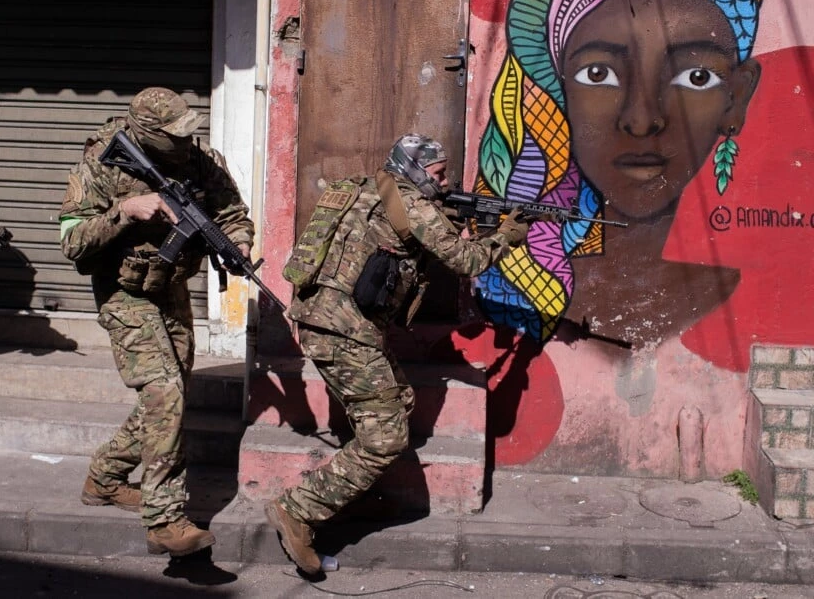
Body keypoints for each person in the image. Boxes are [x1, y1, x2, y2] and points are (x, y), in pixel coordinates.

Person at [472, 0, 771, 345]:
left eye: (695, 77)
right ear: (558, 89)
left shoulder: (731, 290)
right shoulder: (532, 281)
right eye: (597, 74)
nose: (642, 120)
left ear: (737, 98)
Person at [265, 134, 531, 574]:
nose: (444, 182)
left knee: (400, 402)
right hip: (345, 332)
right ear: (412, 168)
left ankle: (354, 489)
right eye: (438, 174)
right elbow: (466, 261)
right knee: (385, 440)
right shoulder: (413, 204)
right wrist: (506, 235)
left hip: (328, 321)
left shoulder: (363, 188)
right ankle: (299, 509)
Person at [58, 87, 255, 558]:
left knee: (170, 395)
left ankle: (105, 477)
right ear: (148, 134)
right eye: (175, 136)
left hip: (172, 288)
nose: (186, 142)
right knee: (164, 391)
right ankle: (166, 519)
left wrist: (239, 244)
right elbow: (72, 241)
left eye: (188, 133)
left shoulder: (201, 160)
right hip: (124, 292)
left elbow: (231, 213)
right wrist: (124, 212)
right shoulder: (100, 164)